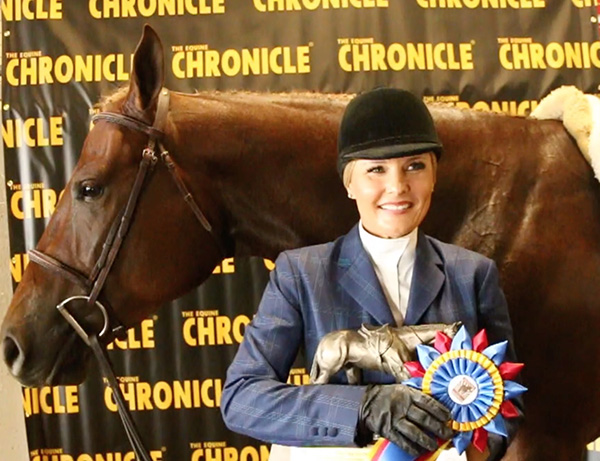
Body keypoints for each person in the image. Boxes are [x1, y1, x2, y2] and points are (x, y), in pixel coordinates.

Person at [221, 87, 521, 460]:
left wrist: (468, 449)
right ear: (350, 183)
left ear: (434, 176)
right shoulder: (301, 274)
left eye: (415, 166)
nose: (397, 187)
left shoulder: (474, 275)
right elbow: (242, 398)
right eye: (376, 170)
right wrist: (363, 405)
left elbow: (507, 404)